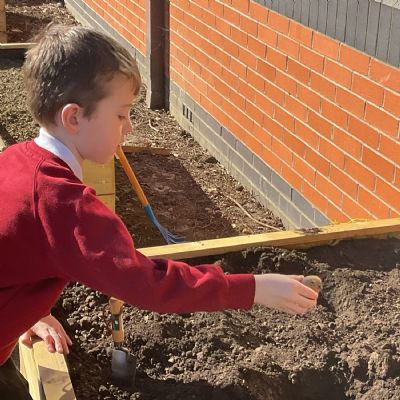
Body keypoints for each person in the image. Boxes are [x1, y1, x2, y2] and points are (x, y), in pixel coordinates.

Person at [0, 24, 318, 399]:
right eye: (121, 115)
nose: (129, 127)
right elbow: (149, 284)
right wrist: (255, 288)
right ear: (73, 117)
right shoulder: (63, 204)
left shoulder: (16, 160)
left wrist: (29, 310)